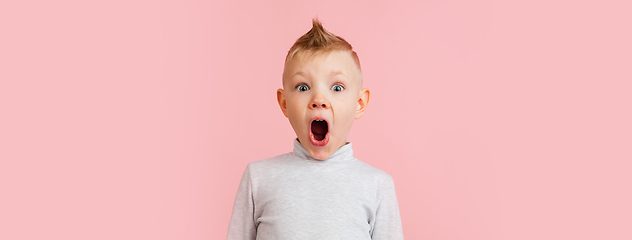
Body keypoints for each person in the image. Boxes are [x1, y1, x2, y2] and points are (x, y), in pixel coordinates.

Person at [227, 18, 404, 240]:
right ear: (284, 103)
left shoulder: (378, 185)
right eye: (303, 87)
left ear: (359, 103)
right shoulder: (258, 178)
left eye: (337, 87)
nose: (319, 99)